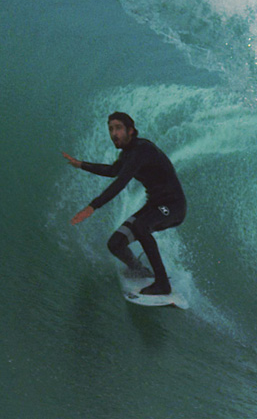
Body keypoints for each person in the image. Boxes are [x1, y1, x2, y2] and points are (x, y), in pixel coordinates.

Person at [64, 111, 186, 298]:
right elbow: (114, 170)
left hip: (173, 207)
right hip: (154, 206)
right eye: (111, 129)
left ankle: (162, 283)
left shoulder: (141, 150)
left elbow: (121, 182)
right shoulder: (128, 154)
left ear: (131, 131)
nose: (114, 133)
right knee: (115, 244)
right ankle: (140, 270)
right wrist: (81, 164)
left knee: (141, 226)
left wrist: (93, 206)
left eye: (118, 128)